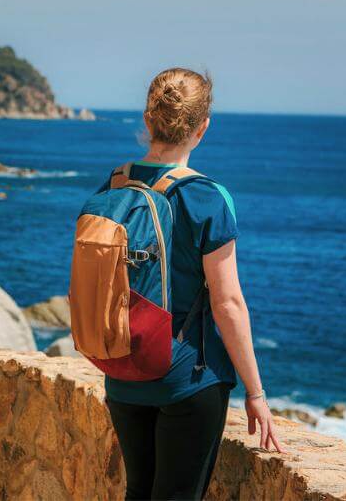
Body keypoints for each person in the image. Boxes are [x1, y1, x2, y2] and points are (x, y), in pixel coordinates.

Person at [102, 67, 284, 500]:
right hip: (187, 376)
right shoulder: (207, 197)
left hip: (123, 368)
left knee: (139, 491)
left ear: (148, 121)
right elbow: (228, 304)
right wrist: (256, 393)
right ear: (203, 128)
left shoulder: (115, 184)